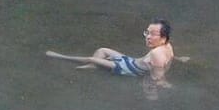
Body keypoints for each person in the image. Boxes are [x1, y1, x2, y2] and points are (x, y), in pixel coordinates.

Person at [46, 21, 175, 80]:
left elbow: (158, 75)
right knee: (102, 50)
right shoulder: (168, 46)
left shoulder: (155, 53)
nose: (148, 36)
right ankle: (93, 66)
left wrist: (157, 89)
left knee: (92, 58)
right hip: (131, 61)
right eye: (147, 32)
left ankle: (59, 56)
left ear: (163, 38)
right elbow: (169, 59)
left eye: (153, 34)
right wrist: (181, 59)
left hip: (129, 70)